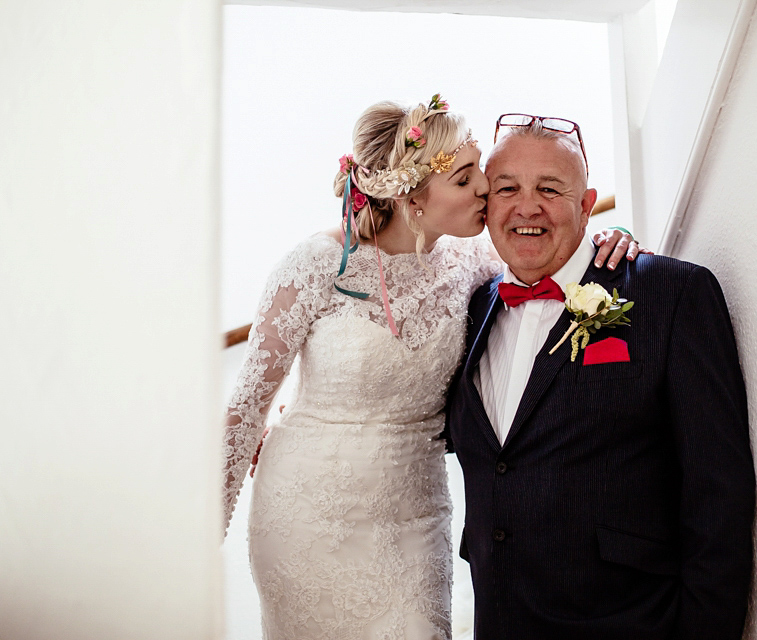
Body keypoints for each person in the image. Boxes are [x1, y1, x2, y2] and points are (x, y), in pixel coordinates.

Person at [220, 96, 642, 640]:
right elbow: (247, 405)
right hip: (306, 511)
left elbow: (556, 258)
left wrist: (612, 239)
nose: (486, 191)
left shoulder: (475, 263)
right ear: (414, 199)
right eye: (467, 179)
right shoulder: (317, 264)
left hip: (414, 517)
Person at [447, 115, 756, 639]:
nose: (527, 207)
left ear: (586, 205)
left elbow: (718, 494)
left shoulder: (673, 294)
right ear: (486, 205)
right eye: (508, 189)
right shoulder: (471, 306)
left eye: (550, 188)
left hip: (629, 622)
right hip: (501, 619)